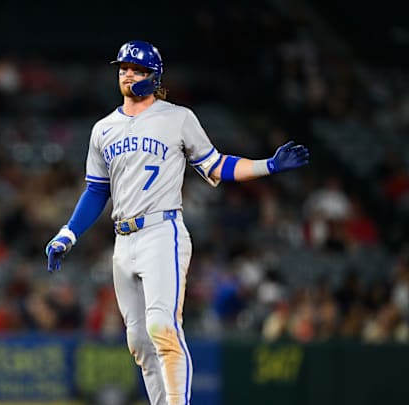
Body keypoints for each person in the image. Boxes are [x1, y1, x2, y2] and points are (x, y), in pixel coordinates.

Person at [44, 40, 309, 405]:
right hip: (123, 241)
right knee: (138, 342)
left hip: (161, 231)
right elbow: (96, 191)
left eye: (136, 69)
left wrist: (268, 165)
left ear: (154, 76)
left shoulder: (178, 118)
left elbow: (216, 165)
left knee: (162, 328)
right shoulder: (102, 129)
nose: (127, 74)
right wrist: (67, 233)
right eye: (123, 68)